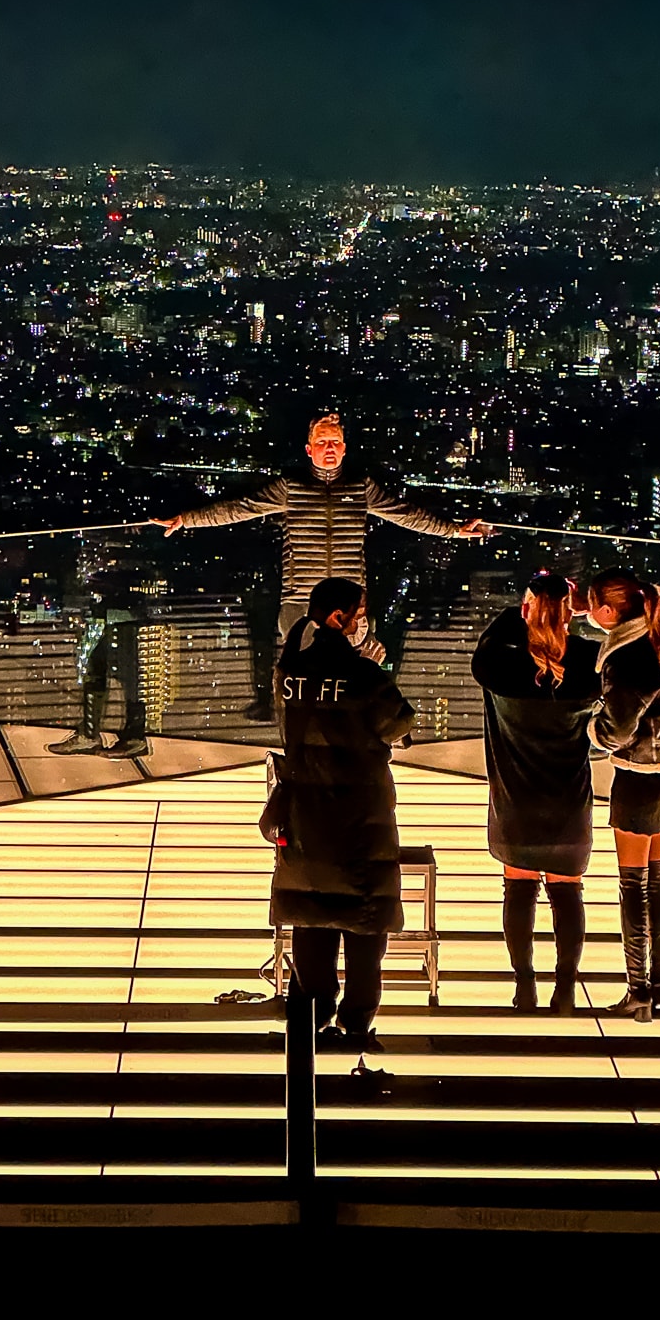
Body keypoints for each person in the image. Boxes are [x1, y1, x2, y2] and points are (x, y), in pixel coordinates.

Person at [153, 412, 492, 711]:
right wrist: (187, 519)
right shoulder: (291, 488)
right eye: (323, 441)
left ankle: (363, 738)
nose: (329, 448)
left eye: (335, 442)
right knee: (304, 683)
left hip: (348, 604)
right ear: (309, 449)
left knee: (351, 681)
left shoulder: (361, 487)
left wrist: (454, 531)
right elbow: (240, 508)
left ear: (344, 449)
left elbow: (405, 515)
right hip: (301, 599)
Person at [262, 576, 416, 1050]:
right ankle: (357, 1022)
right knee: (365, 920)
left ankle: (312, 1014)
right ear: (339, 618)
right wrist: (369, 665)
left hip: (305, 809)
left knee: (311, 915)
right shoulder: (364, 674)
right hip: (359, 810)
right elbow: (400, 723)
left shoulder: (289, 671)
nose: (363, 622)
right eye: (360, 613)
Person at [471, 571, 601, 1015]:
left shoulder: (498, 664)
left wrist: (527, 610)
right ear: (573, 613)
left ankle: (523, 986)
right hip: (568, 798)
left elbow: (491, 640)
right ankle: (565, 991)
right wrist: (566, 613)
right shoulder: (590, 661)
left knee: (518, 891)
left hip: (516, 800)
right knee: (568, 893)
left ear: (527, 609)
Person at [587, 568, 660, 1022]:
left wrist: (591, 728)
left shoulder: (625, 657)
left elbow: (617, 729)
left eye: (592, 604)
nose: (587, 612)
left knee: (633, 885)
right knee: (657, 878)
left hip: (639, 777)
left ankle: (638, 990)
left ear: (610, 612)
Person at [49, 541, 151, 757]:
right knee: (98, 672)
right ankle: (93, 734)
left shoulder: (129, 532)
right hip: (106, 611)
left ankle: (133, 737)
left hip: (123, 612)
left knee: (127, 676)